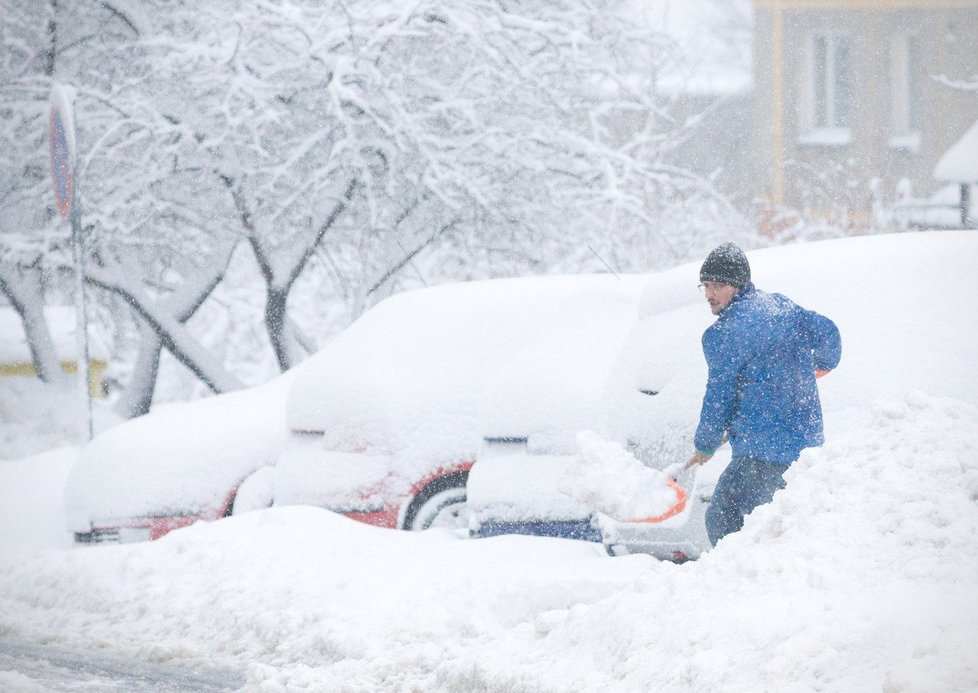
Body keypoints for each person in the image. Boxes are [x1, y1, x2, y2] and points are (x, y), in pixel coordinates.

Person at [684, 242, 841, 546]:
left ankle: (737, 583)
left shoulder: (722, 335)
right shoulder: (782, 307)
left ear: (738, 285)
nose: (709, 294)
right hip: (808, 450)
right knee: (780, 528)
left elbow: (719, 397)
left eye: (718, 285)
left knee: (723, 518)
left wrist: (704, 445)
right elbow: (830, 335)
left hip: (763, 452)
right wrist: (817, 364)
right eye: (705, 285)